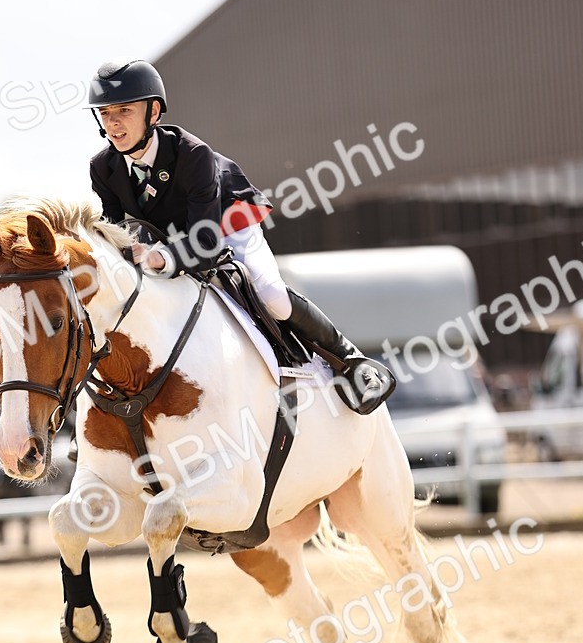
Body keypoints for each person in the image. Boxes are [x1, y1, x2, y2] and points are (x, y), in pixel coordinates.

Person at [86, 59, 392, 416]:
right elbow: (116, 231)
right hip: (168, 236)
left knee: (271, 295)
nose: (113, 123)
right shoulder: (102, 166)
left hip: (226, 226)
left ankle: (351, 361)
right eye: (105, 113)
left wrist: (162, 257)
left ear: (153, 112)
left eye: (124, 110)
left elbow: (206, 242)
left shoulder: (192, 154)